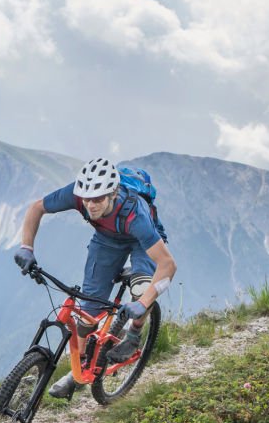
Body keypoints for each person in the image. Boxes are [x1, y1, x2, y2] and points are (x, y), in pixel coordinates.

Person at [13, 157, 176, 399]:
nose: (91, 204)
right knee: (89, 308)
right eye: (87, 198)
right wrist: (26, 247)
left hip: (142, 242)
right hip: (107, 239)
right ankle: (78, 371)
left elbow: (167, 266)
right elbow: (37, 207)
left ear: (113, 193)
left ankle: (133, 336)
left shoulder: (136, 215)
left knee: (142, 289)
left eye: (98, 198)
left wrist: (142, 304)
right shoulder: (78, 195)